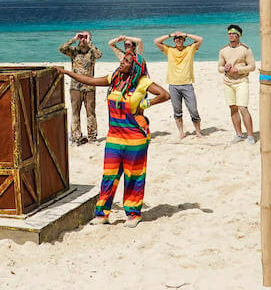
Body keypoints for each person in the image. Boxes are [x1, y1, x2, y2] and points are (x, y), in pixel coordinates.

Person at [57, 48, 169, 227]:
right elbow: (90, 81)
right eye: (123, 59)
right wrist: (67, 72)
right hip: (114, 136)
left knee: (134, 176)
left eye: (126, 61)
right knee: (109, 175)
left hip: (135, 138)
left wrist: (145, 103)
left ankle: (133, 214)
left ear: (134, 67)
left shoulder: (143, 81)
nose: (122, 62)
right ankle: (102, 214)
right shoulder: (115, 78)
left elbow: (165, 94)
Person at [153, 30, 204, 139]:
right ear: (174, 41)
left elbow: (200, 39)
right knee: (177, 111)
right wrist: (171, 34)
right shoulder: (169, 50)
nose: (178, 40)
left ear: (184, 40)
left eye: (180, 39)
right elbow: (156, 41)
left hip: (187, 85)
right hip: (173, 85)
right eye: (176, 39)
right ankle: (181, 132)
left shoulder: (190, 49)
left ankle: (198, 132)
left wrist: (185, 34)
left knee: (193, 110)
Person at [59, 31, 103, 145]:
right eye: (81, 37)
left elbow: (99, 54)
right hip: (75, 87)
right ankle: (76, 138)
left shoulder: (92, 52)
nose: (83, 39)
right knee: (75, 113)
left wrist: (89, 43)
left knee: (91, 113)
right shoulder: (74, 51)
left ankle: (92, 137)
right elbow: (62, 49)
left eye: (85, 37)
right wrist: (74, 39)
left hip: (90, 87)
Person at [217, 25, 256, 142]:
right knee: (233, 108)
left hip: (242, 81)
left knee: (243, 108)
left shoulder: (246, 49)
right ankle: (239, 134)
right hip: (228, 82)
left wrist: (238, 70)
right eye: (229, 34)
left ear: (239, 36)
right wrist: (225, 68)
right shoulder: (223, 50)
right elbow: (219, 67)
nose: (231, 36)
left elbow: (252, 67)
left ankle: (250, 136)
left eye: (234, 34)